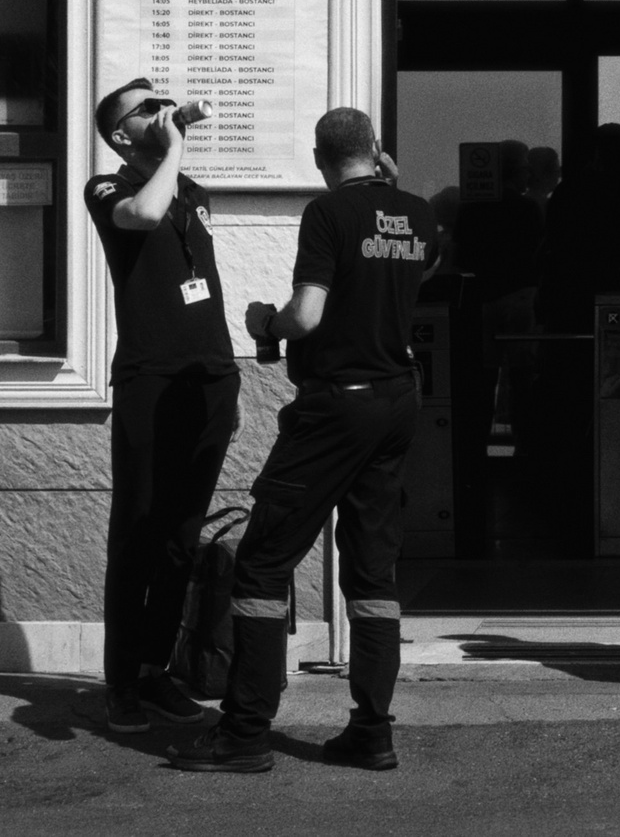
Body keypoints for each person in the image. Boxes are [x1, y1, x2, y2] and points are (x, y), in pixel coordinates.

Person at [170, 107, 443, 771]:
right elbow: (417, 274)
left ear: (322, 158)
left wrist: (269, 318)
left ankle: (243, 734)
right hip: (397, 400)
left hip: (337, 406)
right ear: (376, 152)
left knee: (263, 564)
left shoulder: (328, 215)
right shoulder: (420, 214)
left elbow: (310, 312)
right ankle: (372, 732)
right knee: (373, 573)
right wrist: (395, 193)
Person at [84, 78, 239, 736]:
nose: (162, 110)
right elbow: (143, 217)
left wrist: (229, 381)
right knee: (139, 531)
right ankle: (121, 682)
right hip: (151, 381)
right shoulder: (109, 188)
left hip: (209, 380)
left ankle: (155, 669)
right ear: (122, 134)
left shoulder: (191, 195)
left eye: (163, 101)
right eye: (146, 108)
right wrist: (172, 147)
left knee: (181, 537)